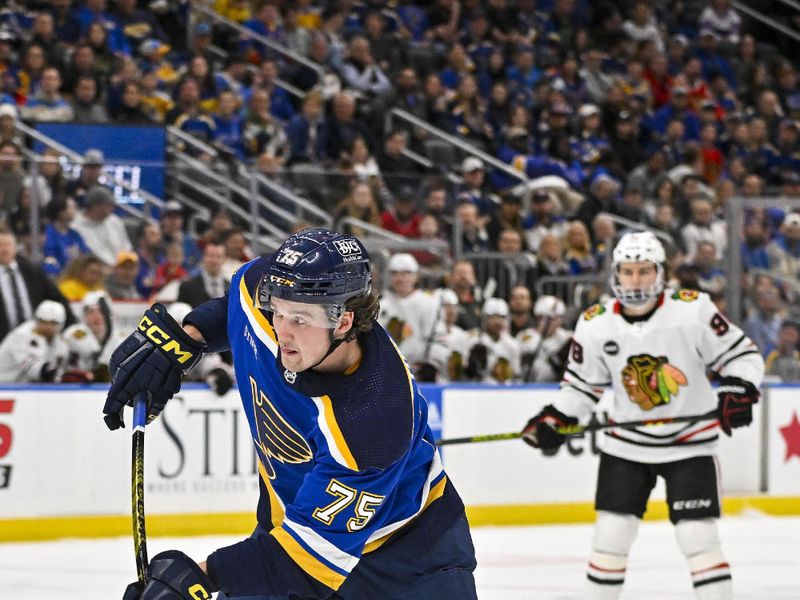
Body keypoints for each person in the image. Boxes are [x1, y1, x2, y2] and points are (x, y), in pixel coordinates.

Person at [103, 228, 477, 600]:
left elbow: (304, 562)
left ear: (343, 322)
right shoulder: (266, 298)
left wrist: (192, 580)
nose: (281, 331)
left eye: (299, 318)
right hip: (288, 530)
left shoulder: (375, 419)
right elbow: (236, 308)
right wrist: (186, 339)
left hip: (410, 561)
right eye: (277, 311)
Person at [520, 231, 764, 600]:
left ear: (661, 273)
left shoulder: (692, 308)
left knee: (699, 539)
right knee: (609, 540)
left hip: (690, 445)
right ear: (615, 274)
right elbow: (582, 388)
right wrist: (555, 417)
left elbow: (743, 357)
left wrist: (739, 389)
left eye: (645, 271)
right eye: (628, 271)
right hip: (627, 447)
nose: (636, 280)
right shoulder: (595, 322)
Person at [0, 300, 69, 382]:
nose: (47, 327)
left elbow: (58, 368)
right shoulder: (22, 335)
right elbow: (30, 367)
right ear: (36, 320)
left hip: (27, 388)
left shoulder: (61, 342)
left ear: (61, 324)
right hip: (4, 385)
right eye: (43, 322)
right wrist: (56, 374)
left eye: (53, 323)